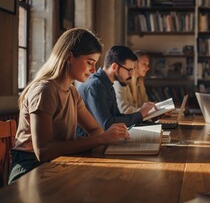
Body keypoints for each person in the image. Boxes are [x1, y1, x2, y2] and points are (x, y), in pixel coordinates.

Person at [9, 28, 130, 183]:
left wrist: (101, 137)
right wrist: (101, 139)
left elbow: (95, 130)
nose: (93, 70)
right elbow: (44, 151)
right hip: (30, 169)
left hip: (58, 162)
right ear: (69, 57)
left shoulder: (72, 92)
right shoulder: (44, 91)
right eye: (89, 62)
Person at [77, 46, 155, 136]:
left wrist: (142, 116)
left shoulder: (108, 84)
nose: (131, 75)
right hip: (90, 145)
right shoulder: (95, 85)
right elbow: (107, 125)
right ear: (115, 67)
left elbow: (116, 117)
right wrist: (140, 114)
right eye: (129, 70)